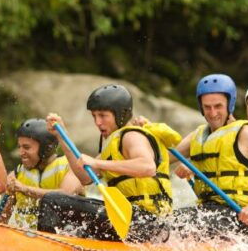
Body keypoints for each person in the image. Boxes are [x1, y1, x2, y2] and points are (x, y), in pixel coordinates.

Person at [38, 84, 176, 242]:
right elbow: (85, 178)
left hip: (146, 222)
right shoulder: (112, 145)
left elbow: (147, 167)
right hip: (132, 220)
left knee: (53, 201)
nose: (97, 122)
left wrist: (99, 164)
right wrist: (62, 138)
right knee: (74, 221)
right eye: (94, 116)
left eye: (103, 116)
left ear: (120, 115)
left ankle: (47, 248)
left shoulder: (131, 136)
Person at [170, 74, 248, 239]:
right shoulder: (198, 135)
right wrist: (144, 134)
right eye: (207, 107)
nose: (212, 113)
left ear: (230, 104)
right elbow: (165, 156)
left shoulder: (247, 133)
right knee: (168, 221)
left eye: (218, 106)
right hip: (207, 210)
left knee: (183, 226)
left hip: (238, 214)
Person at [0, 118, 84, 228]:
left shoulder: (71, 167)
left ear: (46, 148)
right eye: (20, 147)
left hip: (63, 237)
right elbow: (1, 219)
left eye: (26, 147)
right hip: (26, 238)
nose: (21, 153)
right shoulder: (17, 174)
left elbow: (64, 195)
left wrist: (25, 189)